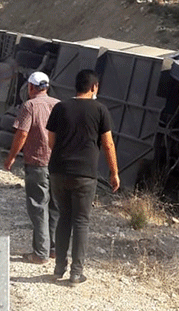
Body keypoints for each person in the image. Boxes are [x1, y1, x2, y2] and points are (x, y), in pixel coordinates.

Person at [47, 69, 120, 285]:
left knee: (64, 217)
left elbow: (51, 140)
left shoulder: (60, 107)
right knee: (81, 221)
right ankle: (76, 273)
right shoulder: (100, 110)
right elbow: (107, 143)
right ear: (94, 87)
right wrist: (114, 172)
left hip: (58, 171)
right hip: (85, 174)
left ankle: (59, 267)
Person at [4, 71, 60, 264]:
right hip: (58, 164)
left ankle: (40, 254)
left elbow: (22, 134)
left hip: (37, 163)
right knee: (55, 207)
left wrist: (11, 157)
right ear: (47, 87)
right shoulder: (58, 104)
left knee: (38, 207)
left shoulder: (29, 106)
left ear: (30, 87)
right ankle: (54, 250)